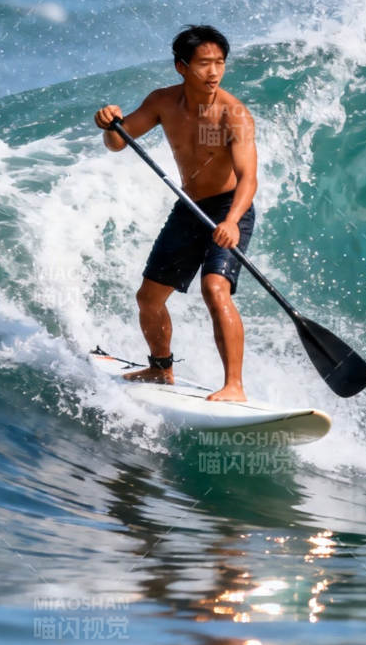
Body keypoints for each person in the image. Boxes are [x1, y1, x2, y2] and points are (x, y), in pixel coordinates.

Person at [92, 25, 257, 402]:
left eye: (219, 63)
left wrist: (231, 221)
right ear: (181, 67)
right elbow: (119, 142)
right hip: (190, 208)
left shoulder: (234, 115)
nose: (213, 72)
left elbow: (249, 178)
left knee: (215, 288)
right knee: (148, 298)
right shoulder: (163, 102)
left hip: (230, 207)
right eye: (204, 64)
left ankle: (235, 386)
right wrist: (108, 123)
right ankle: (161, 369)